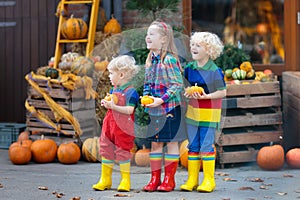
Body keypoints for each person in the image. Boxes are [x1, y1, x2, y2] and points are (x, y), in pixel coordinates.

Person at [142, 20, 186, 192]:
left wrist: (161, 99)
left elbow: (177, 84)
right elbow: (147, 83)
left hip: (169, 110)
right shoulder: (150, 60)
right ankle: (154, 179)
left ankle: (169, 179)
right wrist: (146, 96)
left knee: (172, 142)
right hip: (155, 110)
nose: (147, 37)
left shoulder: (169, 60)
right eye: (147, 34)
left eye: (152, 34)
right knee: (155, 144)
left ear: (163, 40)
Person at [180, 32, 226, 193]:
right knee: (193, 146)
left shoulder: (215, 71)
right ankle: (192, 179)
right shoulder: (189, 68)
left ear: (209, 50)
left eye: (198, 45)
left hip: (209, 114)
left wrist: (207, 96)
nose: (193, 48)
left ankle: (209, 180)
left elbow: (222, 92)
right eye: (193, 44)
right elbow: (184, 86)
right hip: (193, 114)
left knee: (206, 146)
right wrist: (187, 92)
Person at [92, 55, 140, 192]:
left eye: (111, 73)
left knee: (123, 151)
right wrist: (106, 104)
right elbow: (112, 103)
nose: (109, 76)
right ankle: (105, 179)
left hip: (123, 127)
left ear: (122, 74)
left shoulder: (131, 92)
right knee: (106, 149)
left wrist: (113, 107)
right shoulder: (114, 89)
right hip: (109, 125)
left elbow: (130, 110)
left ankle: (125, 180)